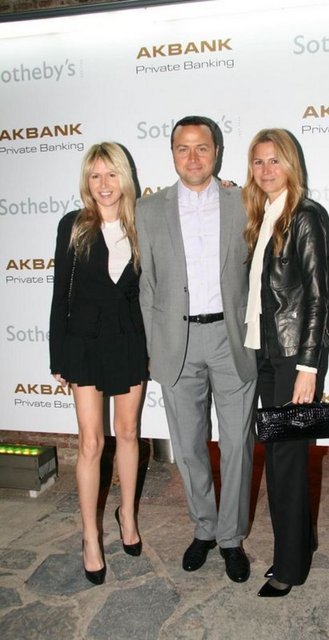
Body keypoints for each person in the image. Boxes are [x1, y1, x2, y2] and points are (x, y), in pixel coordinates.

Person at [136, 116, 257, 583]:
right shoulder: (148, 210)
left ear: (217, 152)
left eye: (201, 148)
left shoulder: (243, 201)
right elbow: (147, 286)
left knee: (237, 445)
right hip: (176, 343)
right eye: (183, 148)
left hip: (231, 340)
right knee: (187, 446)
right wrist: (153, 345)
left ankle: (231, 538)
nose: (193, 157)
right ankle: (204, 529)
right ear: (172, 153)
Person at [242, 129, 329, 597]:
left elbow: (319, 298)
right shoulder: (263, 215)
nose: (266, 169)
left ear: (291, 164)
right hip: (266, 352)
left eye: (275, 160)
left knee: (286, 461)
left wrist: (308, 367)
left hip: (292, 357)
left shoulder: (306, 216)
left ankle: (290, 567)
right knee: (282, 455)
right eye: (258, 161)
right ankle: (299, 543)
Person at [49, 143, 149, 585]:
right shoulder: (73, 225)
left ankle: (127, 515)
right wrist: (57, 355)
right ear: (86, 183)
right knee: (91, 443)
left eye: (111, 175)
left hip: (129, 339)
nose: (103, 185)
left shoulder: (142, 224)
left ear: (124, 178)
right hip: (84, 343)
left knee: (127, 433)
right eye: (95, 176)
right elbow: (61, 294)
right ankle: (90, 536)